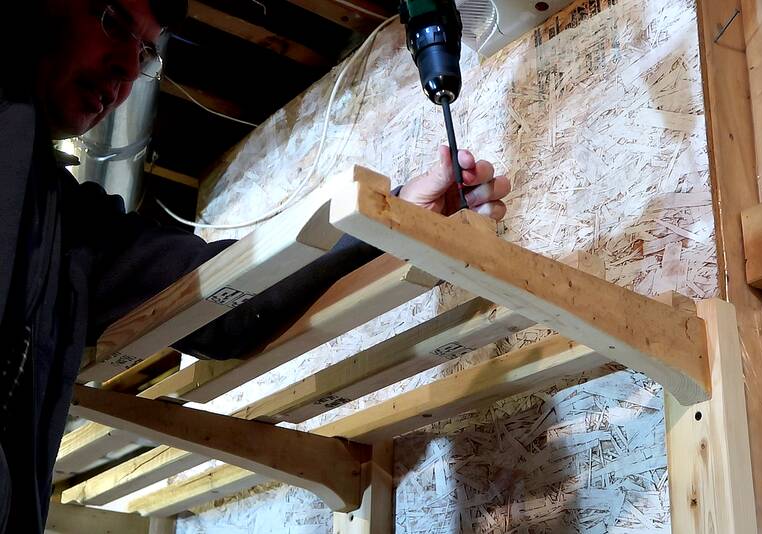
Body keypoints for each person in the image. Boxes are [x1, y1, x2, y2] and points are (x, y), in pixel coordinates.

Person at [0, 0, 511, 531]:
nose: (128, 69)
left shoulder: (69, 223)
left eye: (145, 51)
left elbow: (224, 309)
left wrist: (397, 216)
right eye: (115, 25)